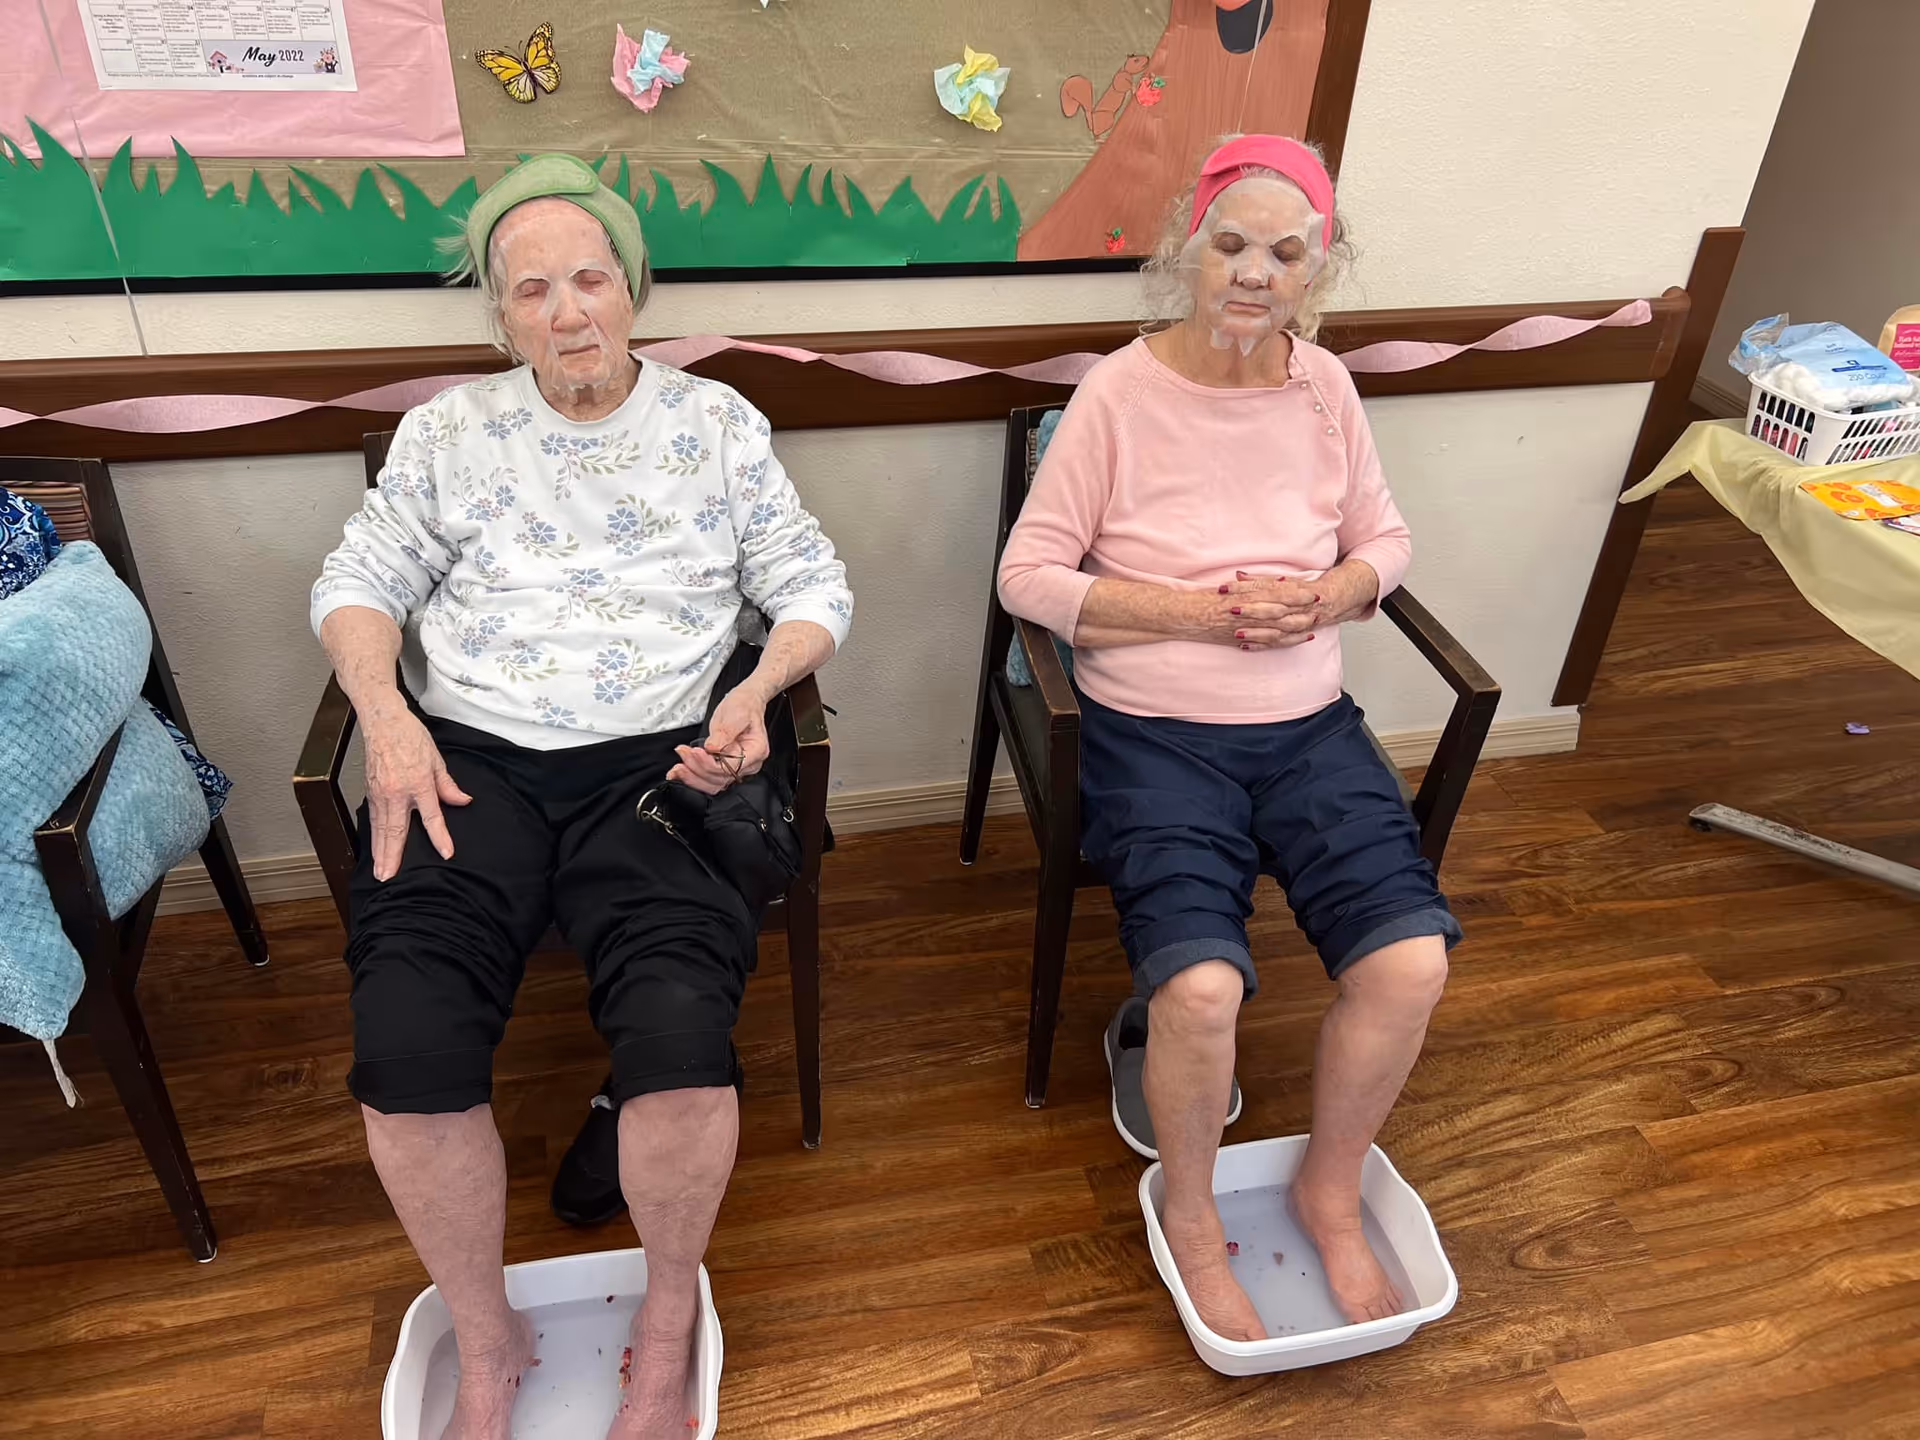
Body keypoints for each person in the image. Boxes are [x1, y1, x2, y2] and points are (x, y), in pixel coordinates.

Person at [309, 153, 852, 1440]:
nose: (569, 313)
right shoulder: (450, 433)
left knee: (677, 1041)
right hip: (471, 758)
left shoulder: (715, 424)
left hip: (659, 762)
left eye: (591, 279)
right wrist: (387, 721)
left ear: (633, 289)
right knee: (407, 1052)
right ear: (500, 316)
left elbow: (813, 586)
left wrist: (757, 689)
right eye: (532, 289)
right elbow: (356, 582)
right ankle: (485, 1336)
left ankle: (666, 1322)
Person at [996, 135, 1458, 1341]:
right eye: (1232, 244)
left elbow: (1390, 540)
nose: (1254, 272)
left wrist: (1338, 591)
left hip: (1308, 725)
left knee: (1411, 964)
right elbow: (1028, 577)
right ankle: (1193, 1213)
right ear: (1187, 252)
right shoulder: (1119, 392)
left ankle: (1327, 1182)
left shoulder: (1326, 387)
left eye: (1285, 252)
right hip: (1154, 734)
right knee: (1199, 991)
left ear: (1318, 270)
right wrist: (1202, 613)